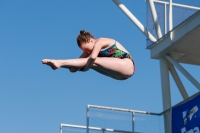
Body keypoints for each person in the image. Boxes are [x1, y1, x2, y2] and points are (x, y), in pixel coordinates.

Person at [42, 30, 135, 80]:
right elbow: (78, 63)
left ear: (91, 40)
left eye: (86, 49)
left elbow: (93, 58)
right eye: (84, 50)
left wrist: (85, 69)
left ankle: (59, 62)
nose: (87, 51)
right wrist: (73, 69)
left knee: (93, 61)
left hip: (127, 65)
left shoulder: (100, 41)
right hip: (118, 76)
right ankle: (58, 64)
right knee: (91, 64)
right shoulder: (89, 50)